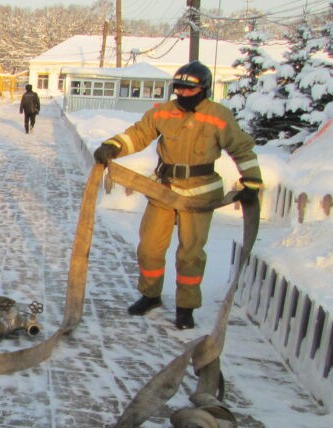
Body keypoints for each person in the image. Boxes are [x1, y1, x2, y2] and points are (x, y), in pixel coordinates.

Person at [92, 60, 261, 330]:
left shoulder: (218, 115)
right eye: (178, 89)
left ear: (203, 89)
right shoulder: (165, 112)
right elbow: (139, 134)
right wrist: (112, 146)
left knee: (190, 254)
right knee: (149, 248)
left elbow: (242, 149)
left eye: (188, 90)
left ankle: (186, 307)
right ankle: (150, 295)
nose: (181, 94)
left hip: (199, 194)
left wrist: (252, 181)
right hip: (164, 189)